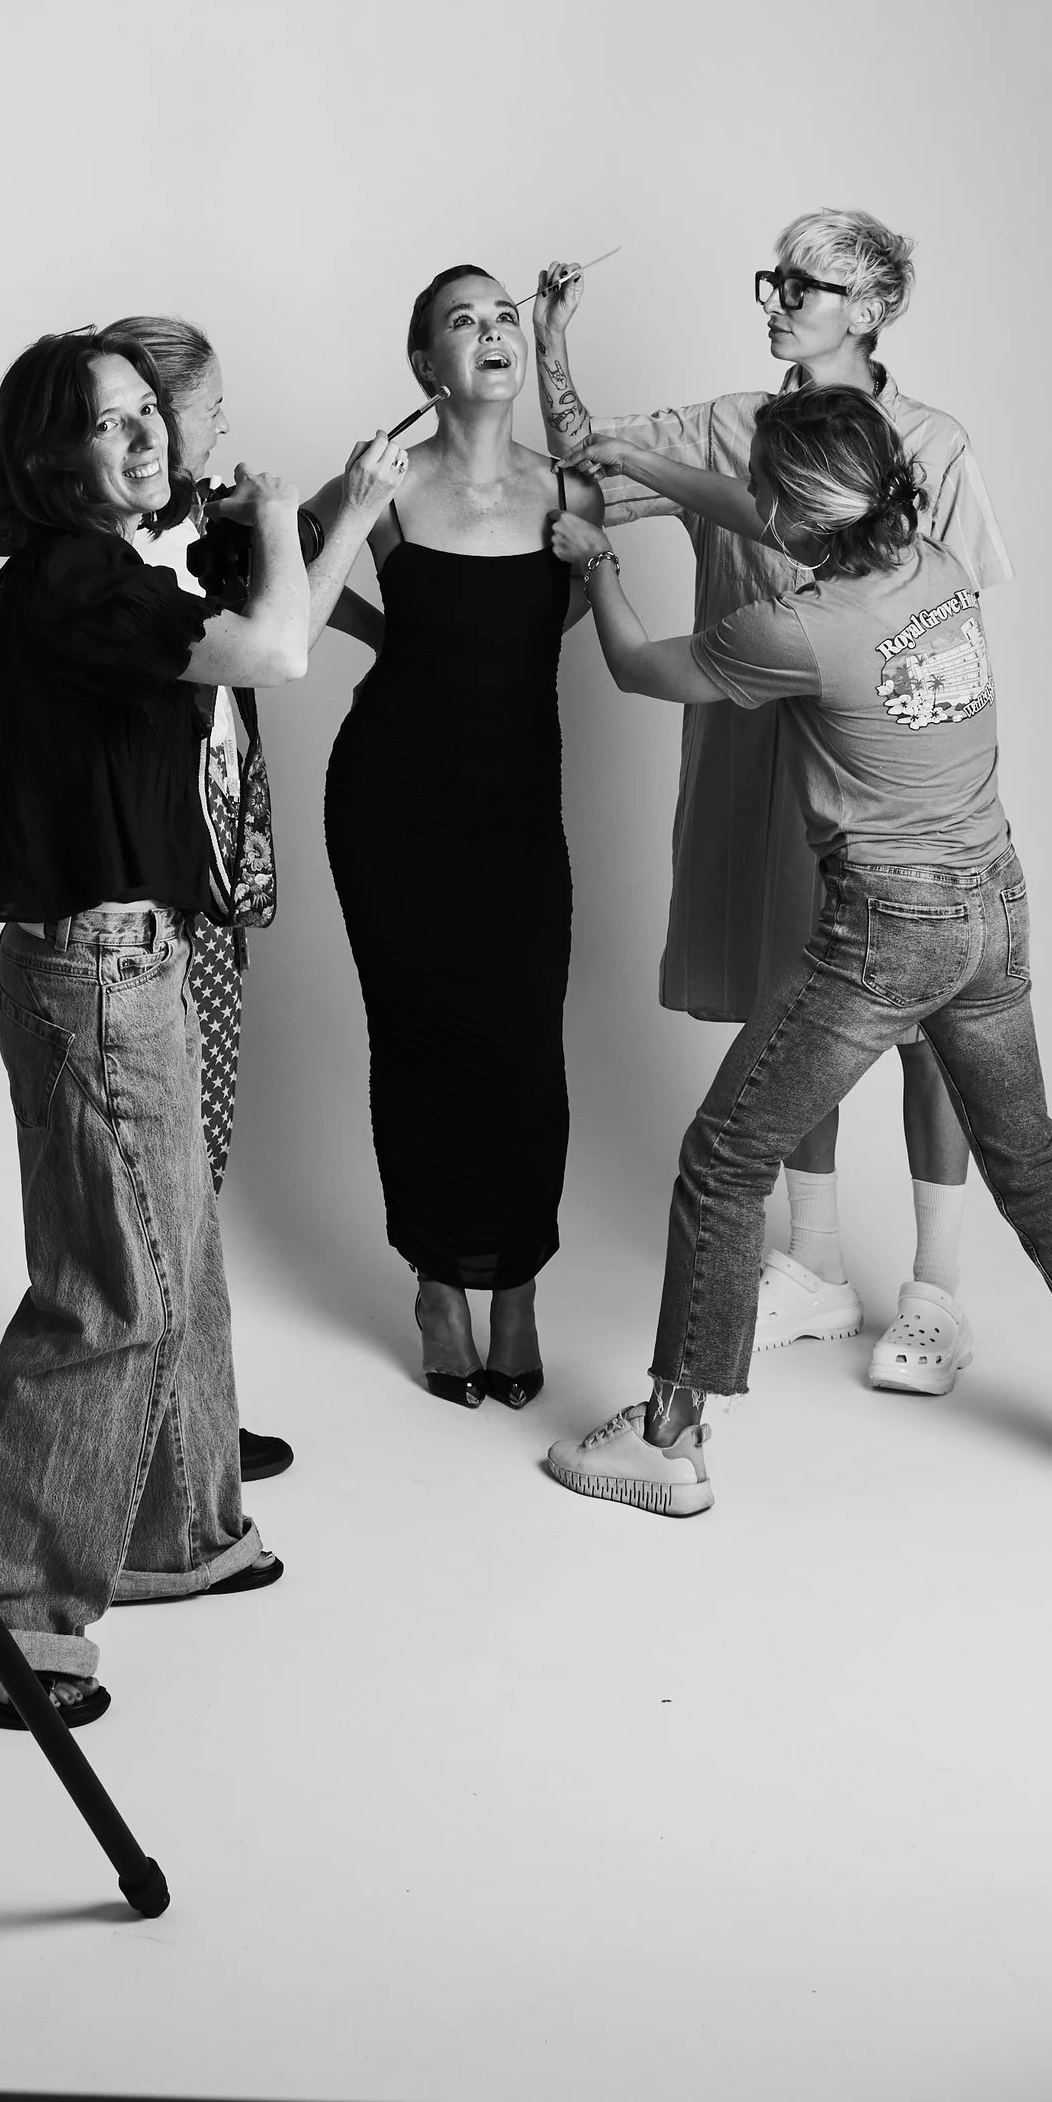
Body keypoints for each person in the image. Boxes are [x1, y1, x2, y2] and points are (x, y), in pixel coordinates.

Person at [538, 383, 1052, 1526]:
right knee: (1038, 1173)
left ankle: (667, 1437)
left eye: (766, 486)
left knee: (723, 1158)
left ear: (800, 508)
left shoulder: (791, 631)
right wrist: (646, 465)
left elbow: (634, 668)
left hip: (889, 926)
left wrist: (595, 562)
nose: (755, 502)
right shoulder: (933, 560)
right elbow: (780, 516)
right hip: (994, 906)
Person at [0, 332, 399, 1727]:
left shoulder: (111, 573)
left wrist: (303, 517)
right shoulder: (68, 576)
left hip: (135, 956)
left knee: (177, 1257)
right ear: (51, 458)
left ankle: (177, 1527)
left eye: (146, 418)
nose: (145, 441)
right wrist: (286, 517)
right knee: (111, 1288)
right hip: (96, 968)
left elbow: (250, 625)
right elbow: (280, 649)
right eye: (108, 426)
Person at [535, 213, 1011, 1398]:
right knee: (789, 1006)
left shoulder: (934, 443)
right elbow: (586, 460)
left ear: (873, 305)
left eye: (808, 282)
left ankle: (936, 1290)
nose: (778, 296)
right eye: (775, 275)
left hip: (893, 784)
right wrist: (549, 345)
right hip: (765, 771)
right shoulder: (730, 427)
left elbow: (935, 614)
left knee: (931, 1029)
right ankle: (812, 1262)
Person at [97, 312, 390, 1491]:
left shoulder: (184, 525)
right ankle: (149, 1425)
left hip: (201, 884)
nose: (224, 432)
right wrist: (354, 517)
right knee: (159, 1178)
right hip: (149, 900)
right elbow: (284, 642)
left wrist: (323, 503)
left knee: (194, 1160)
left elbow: (283, 586)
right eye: (211, 411)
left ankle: (184, 1412)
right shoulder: (134, 560)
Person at [312, 264, 607, 1409]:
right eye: (460, 321)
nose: (490, 333)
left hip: (515, 809)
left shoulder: (565, 491)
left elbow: (563, 608)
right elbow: (281, 568)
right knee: (420, 1038)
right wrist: (394, 636)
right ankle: (440, 1280)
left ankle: (519, 1282)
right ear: (424, 365)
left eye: (501, 319)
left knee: (527, 1046)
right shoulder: (382, 491)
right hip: (391, 805)